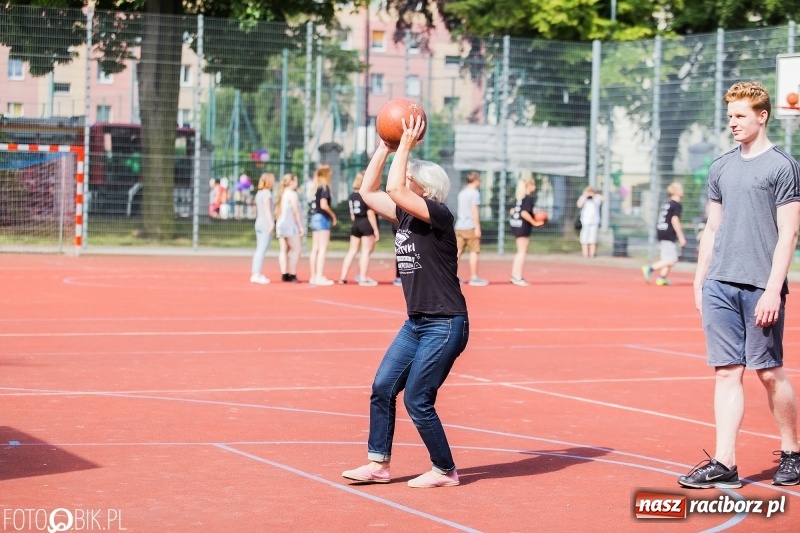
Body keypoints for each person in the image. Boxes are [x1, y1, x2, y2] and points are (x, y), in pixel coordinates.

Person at [678, 81, 800, 490]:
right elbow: (712, 228)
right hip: (719, 284)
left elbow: (789, 234)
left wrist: (773, 289)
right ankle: (724, 462)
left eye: (741, 115)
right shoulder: (721, 167)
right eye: (730, 115)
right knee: (727, 372)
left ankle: (792, 452)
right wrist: (700, 280)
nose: (733, 122)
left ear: (762, 116)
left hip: (761, 287)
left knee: (768, 373)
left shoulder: (783, 167)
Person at [342, 114, 469, 489]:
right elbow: (368, 192)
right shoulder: (404, 216)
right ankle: (378, 465)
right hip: (416, 323)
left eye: (409, 174)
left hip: (445, 323)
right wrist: (385, 147)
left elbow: (395, 187)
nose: (402, 177)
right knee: (383, 387)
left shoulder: (439, 216)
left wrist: (407, 146)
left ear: (424, 188)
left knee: (417, 397)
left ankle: (445, 470)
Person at [339, 172, 380, 286]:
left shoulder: (352, 196)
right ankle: (362, 278)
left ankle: (342, 277)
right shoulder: (365, 195)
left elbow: (352, 215)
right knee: (365, 252)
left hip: (356, 224)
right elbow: (370, 213)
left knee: (352, 251)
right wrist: (375, 229)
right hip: (366, 223)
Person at [642, 182, 687, 286]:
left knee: (666, 258)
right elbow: (675, 220)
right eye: (680, 189)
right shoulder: (676, 204)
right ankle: (650, 268)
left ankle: (662, 278)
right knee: (673, 260)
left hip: (661, 231)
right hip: (668, 233)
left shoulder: (667, 203)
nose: (682, 190)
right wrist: (681, 237)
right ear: (676, 191)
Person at [509, 176, 544, 286]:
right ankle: (517, 276)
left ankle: (514, 275)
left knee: (519, 251)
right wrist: (534, 222)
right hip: (523, 226)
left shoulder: (519, 198)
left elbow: (512, 211)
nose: (535, 186)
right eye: (533, 184)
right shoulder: (528, 198)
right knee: (522, 252)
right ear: (528, 186)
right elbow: (524, 213)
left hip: (516, 225)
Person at [455, 171, 488, 286]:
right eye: (479, 180)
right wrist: (477, 227)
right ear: (476, 180)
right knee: (474, 251)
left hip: (459, 226)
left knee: (458, 252)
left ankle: (453, 276)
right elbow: (474, 211)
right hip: (470, 226)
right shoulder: (474, 193)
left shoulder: (462, 193)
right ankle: (474, 277)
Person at [308, 164, 338, 286]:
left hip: (314, 217)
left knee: (315, 248)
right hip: (322, 218)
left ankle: (313, 276)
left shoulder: (316, 187)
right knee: (323, 248)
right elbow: (324, 205)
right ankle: (319, 276)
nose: (331, 173)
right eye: (329, 172)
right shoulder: (325, 187)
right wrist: (332, 215)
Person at [274, 173, 304, 283]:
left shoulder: (282, 193)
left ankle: (284, 273)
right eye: (295, 181)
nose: (297, 183)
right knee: (297, 249)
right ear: (291, 182)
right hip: (290, 225)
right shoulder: (292, 194)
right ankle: (292, 274)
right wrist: (300, 226)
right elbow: (296, 211)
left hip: (281, 224)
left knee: (284, 250)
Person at [250, 172, 275, 285]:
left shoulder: (259, 193)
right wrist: (271, 223)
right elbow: (267, 210)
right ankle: (256, 273)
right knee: (261, 249)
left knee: (259, 249)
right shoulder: (267, 194)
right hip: (265, 223)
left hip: (259, 222)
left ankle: (256, 272)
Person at [576, 186, 603, 258]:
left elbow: (603, 199)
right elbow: (579, 205)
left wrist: (594, 196)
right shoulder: (583, 198)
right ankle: (585, 254)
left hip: (594, 221)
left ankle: (592, 254)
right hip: (585, 222)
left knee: (593, 239)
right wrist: (585, 196)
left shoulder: (596, 198)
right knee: (584, 238)